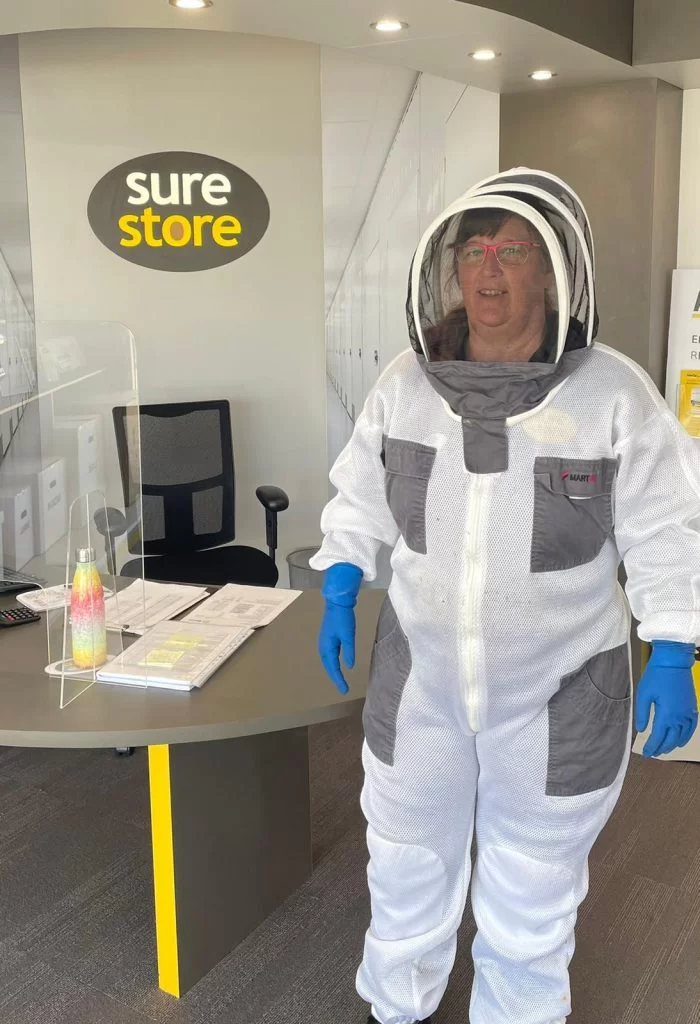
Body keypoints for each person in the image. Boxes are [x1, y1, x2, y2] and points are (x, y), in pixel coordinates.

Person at [309, 168, 700, 1024]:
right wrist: (343, 576)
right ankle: (397, 1002)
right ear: (450, 270)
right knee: (406, 854)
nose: (489, 270)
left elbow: (670, 525)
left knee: (533, 871)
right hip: (424, 684)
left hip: (561, 691)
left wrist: (673, 646)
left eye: (512, 251)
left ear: (554, 272)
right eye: (474, 250)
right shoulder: (406, 384)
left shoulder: (613, 395)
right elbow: (361, 488)